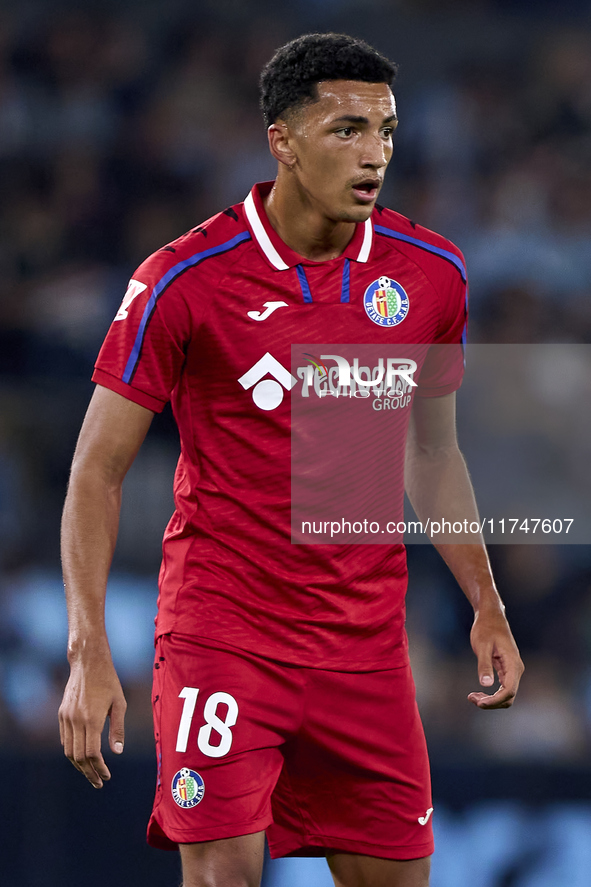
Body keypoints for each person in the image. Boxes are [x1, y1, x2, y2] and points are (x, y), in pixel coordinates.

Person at [58, 32, 524, 887]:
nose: (374, 154)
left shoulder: (430, 274)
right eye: (347, 129)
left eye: (386, 130)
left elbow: (432, 450)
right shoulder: (185, 279)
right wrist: (88, 648)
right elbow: (96, 470)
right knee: (222, 877)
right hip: (224, 637)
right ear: (282, 140)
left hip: (365, 648)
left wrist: (485, 604)